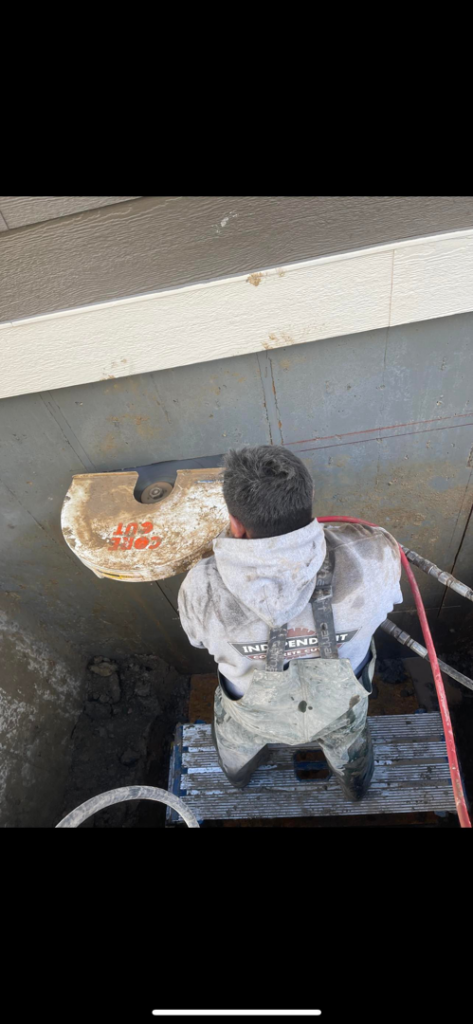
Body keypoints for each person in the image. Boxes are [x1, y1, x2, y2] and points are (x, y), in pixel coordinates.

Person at [178, 445, 403, 798]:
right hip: (340, 714)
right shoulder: (375, 553)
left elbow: (197, 640)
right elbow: (389, 602)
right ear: (309, 498)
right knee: (350, 746)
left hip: (252, 717)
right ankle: (355, 790)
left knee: (234, 744)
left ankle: (238, 780)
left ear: (235, 522)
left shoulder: (199, 587)